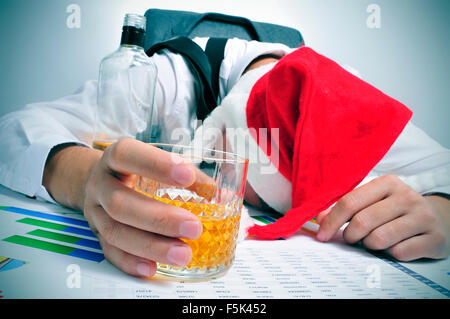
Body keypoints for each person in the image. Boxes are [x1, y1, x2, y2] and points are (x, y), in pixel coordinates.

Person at [0, 37, 449, 279]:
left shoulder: (344, 104)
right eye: (244, 183)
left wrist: (444, 213)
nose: (240, 200)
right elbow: (14, 130)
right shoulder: (162, 80)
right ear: (218, 127)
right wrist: (87, 182)